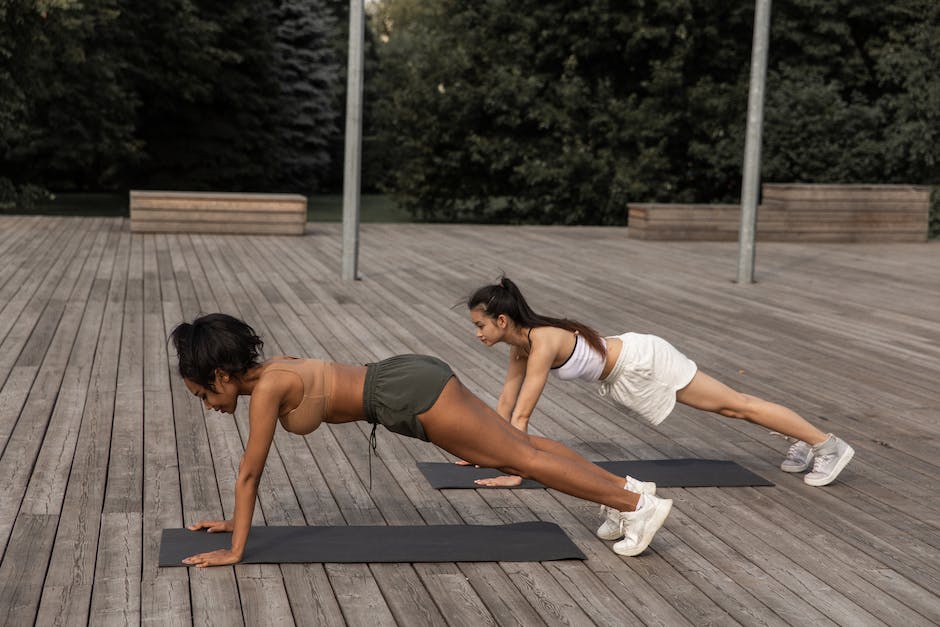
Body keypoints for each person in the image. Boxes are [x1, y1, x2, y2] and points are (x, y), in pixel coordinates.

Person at [169, 313, 672, 566]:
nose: (208, 406)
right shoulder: (273, 369)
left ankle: (633, 506)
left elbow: (250, 471)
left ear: (219, 374)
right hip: (405, 377)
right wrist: (236, 522)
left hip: (407, 394)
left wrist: (237, 548)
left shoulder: (267, 389)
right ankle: (629, 490)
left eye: (201, 395)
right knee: (528, 448)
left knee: (523, 460)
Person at [465, 276, 855, 496]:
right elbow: (505, 400)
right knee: (734, 405)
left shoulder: (543, 340)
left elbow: (522, 412)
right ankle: (805, 439)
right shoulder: (522, 346)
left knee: (734, 405)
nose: (477, 333)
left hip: (645, 363)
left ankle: (826, 444)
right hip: (629, 370)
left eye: (480, 325)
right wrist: (490, 449)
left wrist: (516, 466)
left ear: (501, 321)